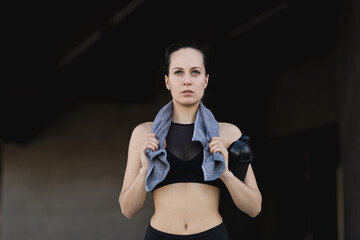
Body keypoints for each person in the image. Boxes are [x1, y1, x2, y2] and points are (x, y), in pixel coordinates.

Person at [119, 40, 262, 240]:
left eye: (195, 72)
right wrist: (144, 171)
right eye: (178, 72)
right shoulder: (145, 134)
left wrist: (226, 173)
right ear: (167, 81)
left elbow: (254, 207)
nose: (187, 80)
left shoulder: (227, 133)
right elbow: (127, 209)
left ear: (205, 80)